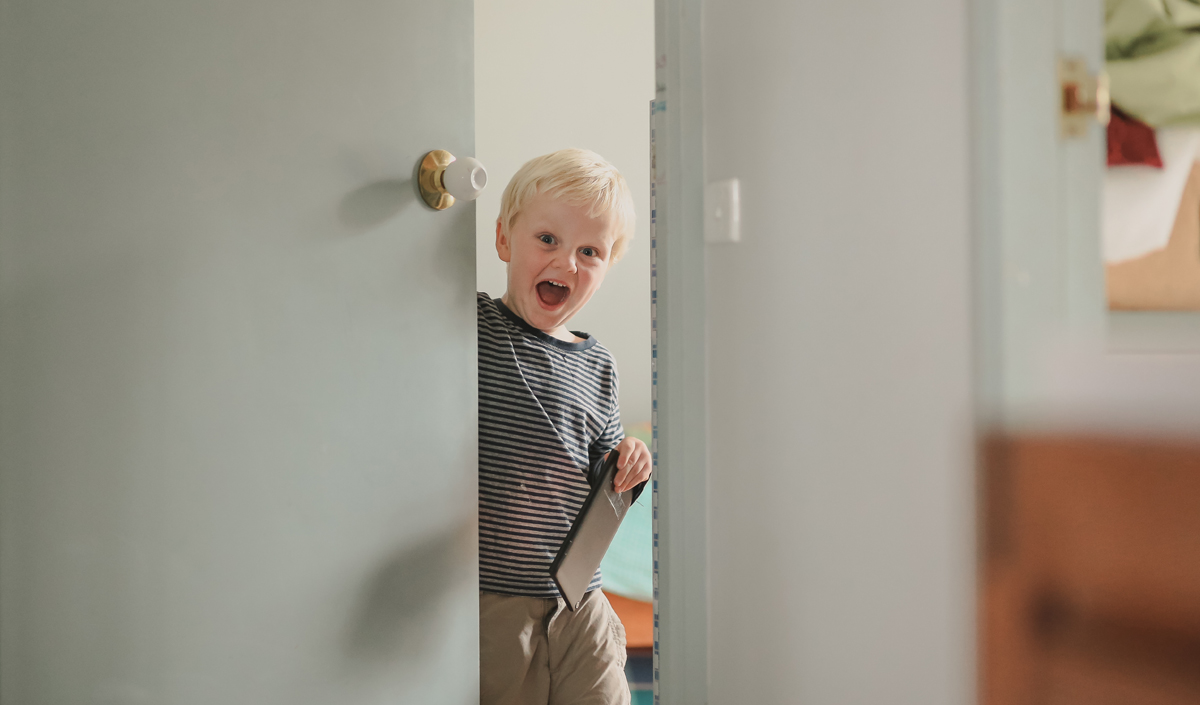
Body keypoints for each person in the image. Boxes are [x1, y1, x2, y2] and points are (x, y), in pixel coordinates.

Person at [477, 148, 652, 705]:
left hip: (582, 601)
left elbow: (602, 468)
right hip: (497, 600)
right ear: (504, 240)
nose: (567, 264)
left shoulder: (599, 363)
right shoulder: (472, 326)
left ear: (607, 266)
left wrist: (627, 460)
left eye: (590, 251)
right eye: (547, 240)